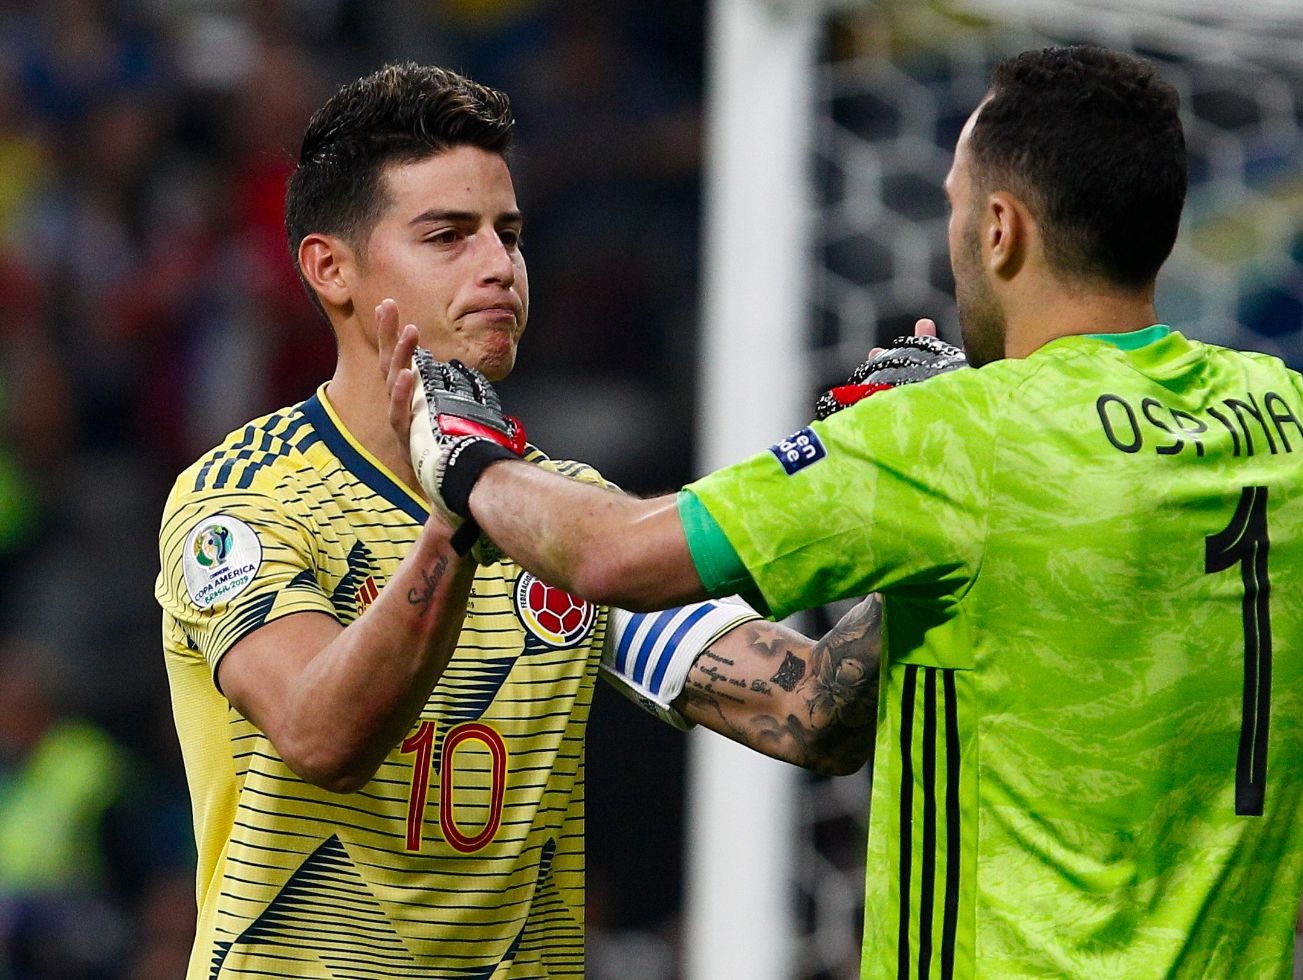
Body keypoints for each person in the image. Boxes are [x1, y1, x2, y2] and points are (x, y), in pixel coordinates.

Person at [388, 45, 1303, 977]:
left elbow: (612, 554)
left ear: (1000, 228)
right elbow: (1290, 538)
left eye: (958, 205)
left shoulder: (962, 437)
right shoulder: (1299, 427)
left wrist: (468, 454)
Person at [155, 62, 882, 979]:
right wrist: (461, 512)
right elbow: (320, 734)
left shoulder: (563, 515)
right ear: (330, 269)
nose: (499, 266)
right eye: (448, 236)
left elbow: (811, 713)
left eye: (509, 234)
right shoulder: (241, 499)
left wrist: (901, 494)